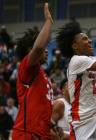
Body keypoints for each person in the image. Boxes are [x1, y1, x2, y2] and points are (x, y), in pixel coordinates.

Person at [12, 3, 59, 140]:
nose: (46, 49)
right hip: (26, 134)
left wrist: (50, 125)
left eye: (47, 46)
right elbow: (38, 48)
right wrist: (49, 21)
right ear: (29, 51)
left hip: (41, 134)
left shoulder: (42, 74)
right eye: (44, 45)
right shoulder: (26, 67)